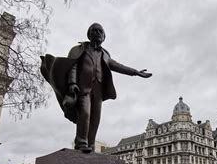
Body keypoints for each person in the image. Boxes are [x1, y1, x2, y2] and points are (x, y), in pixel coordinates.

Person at [40, 23, 152, 152]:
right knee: (85, 113)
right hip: (83, 88)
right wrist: (72, 83)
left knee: (95, 118)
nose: (97, 33)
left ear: (104, 36)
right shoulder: (79, 49)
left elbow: (117, 66)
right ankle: (81, 142)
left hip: (98, 90)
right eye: (94, 30)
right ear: (89, 34)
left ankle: (91, 145)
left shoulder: (105, 54)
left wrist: (136, 72)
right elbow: (72, 66)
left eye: (100, 31)